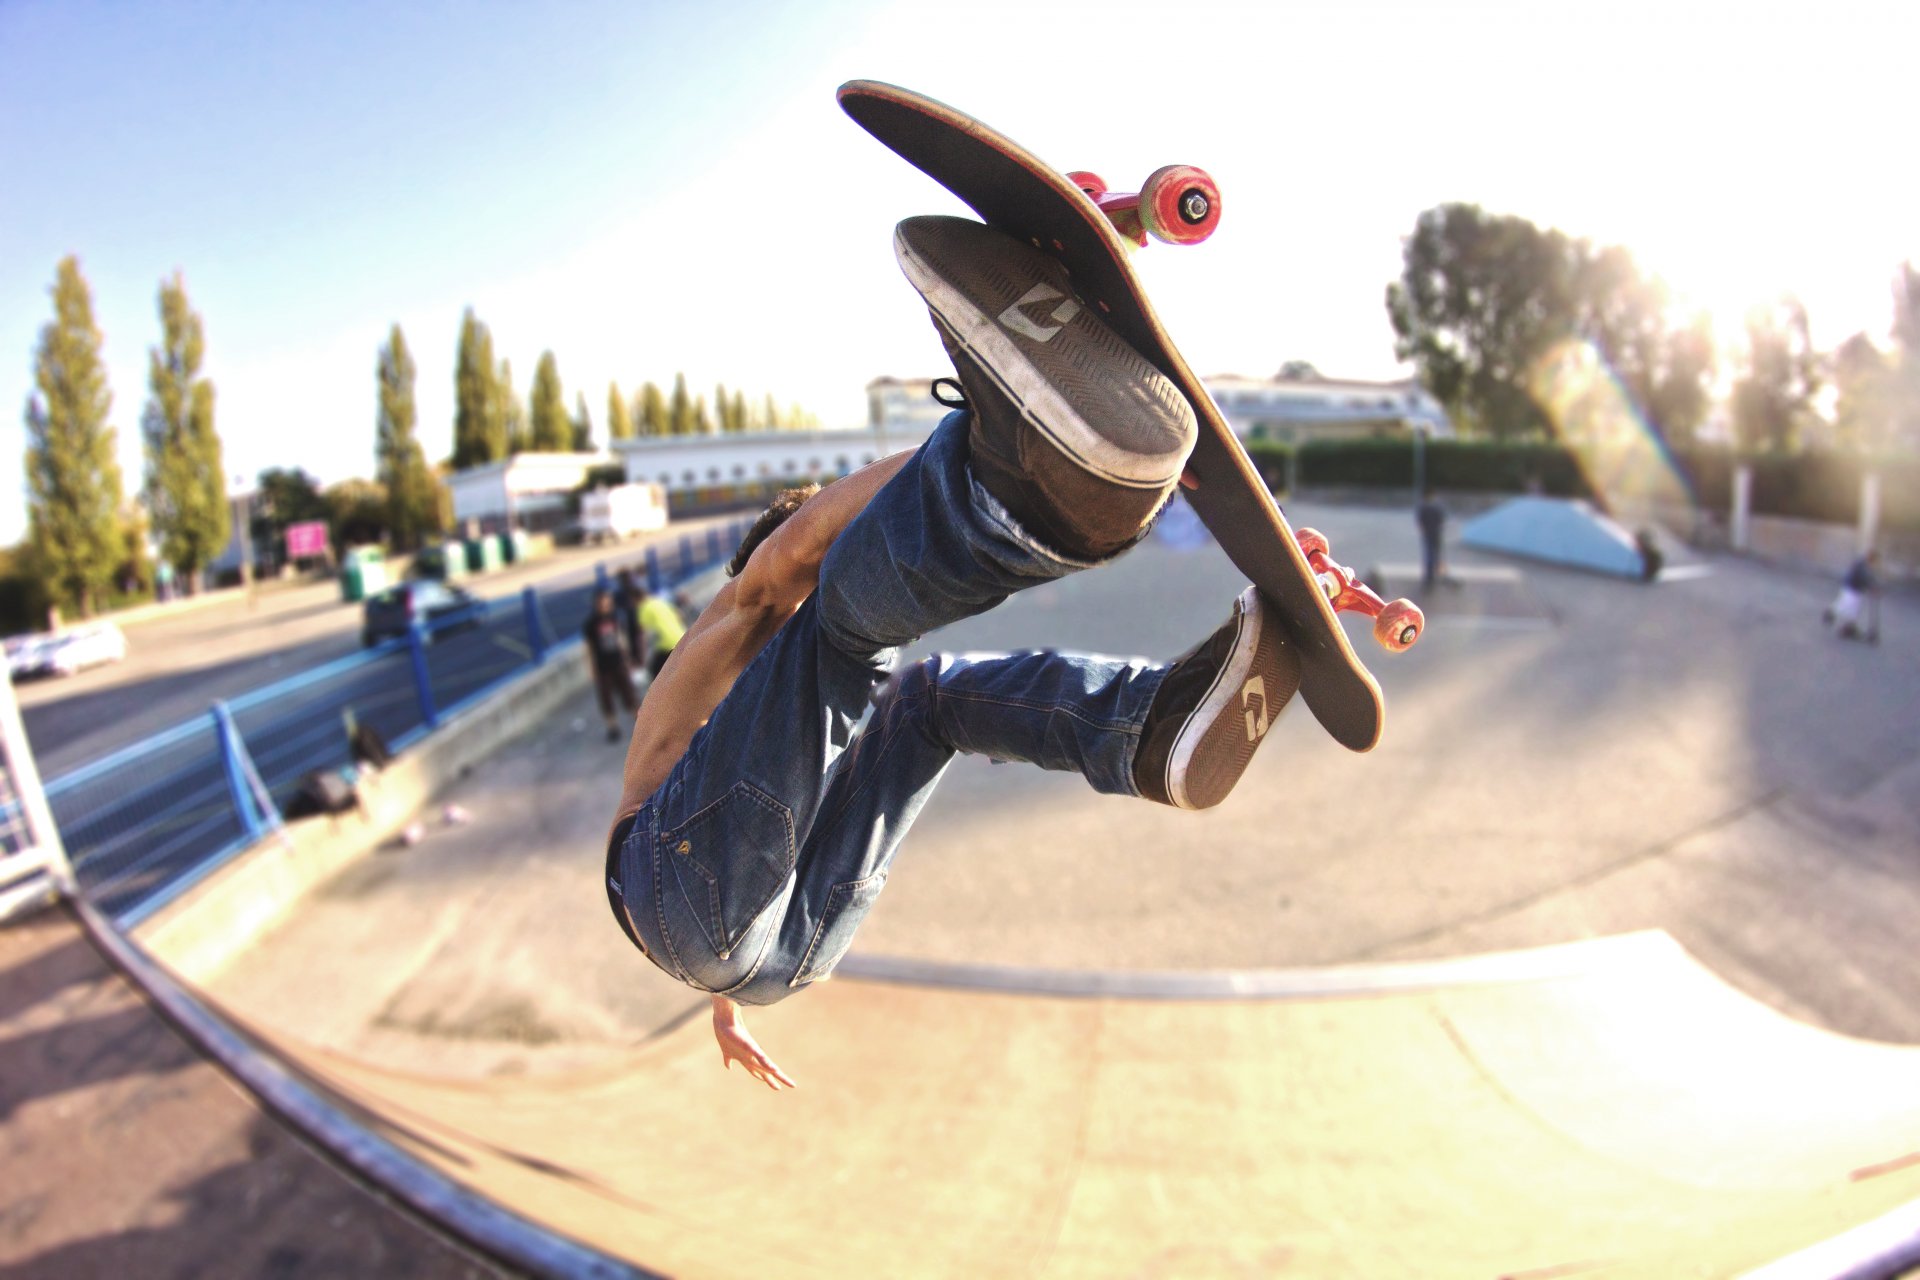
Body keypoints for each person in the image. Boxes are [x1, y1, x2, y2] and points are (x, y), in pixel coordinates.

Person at [603, 216, 1302, 1090]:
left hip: (774, 952)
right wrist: (984, 438)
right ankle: (1004, 488)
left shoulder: (730, 760)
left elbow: (716, 873)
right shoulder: (730, 619)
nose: (808, 568)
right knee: (845, 630)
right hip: (729, 920)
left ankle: (1146, 730)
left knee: (925, 700)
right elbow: (782, 566)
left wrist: (725, 996)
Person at [582, 589, 638, 741]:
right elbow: (589, 648)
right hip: (603, 666)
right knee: (606, 698)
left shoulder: (614, 617)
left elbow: (621, 637)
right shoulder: (591, 623)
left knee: (629, 693)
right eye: (603, 603)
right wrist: (591, 668)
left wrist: (627, 658)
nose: (606, 606)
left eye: (608, 603)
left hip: (618, 662)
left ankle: (639, 723)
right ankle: (612, 727)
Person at [633, 580, 688, 680]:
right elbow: (680, 615)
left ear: (635, 599)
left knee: (657, 676)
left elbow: (642, 634)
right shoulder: (659, 601)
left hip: (666, 645)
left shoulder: (643, 609)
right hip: (682, 638)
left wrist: (642, 657)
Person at [1825, 549, 1882, 642]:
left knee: (1852, 609)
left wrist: (1875, 586)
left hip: (1854, 588)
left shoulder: (1865, 564)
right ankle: (1838, 620)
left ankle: (1848, 626)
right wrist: (1873, 588)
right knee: (1847, 607)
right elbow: (1865, 577)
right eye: (1875, 561)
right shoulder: (1862, 565)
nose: (1876, 563)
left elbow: (1870, 577)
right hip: (1852, 588)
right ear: (1872, 558)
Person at [1415, 486, 1447, 591]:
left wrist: (1424, 529)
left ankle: (1430, 576)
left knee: (1429, 554)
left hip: (1429, 533)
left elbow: (1420, 520)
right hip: (1436, 532)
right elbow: (1442, 518)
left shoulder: (1424, 506)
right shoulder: (1437, 506)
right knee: (1435, 553)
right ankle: (1437, 574)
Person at [614, 567, 644, 666]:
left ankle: (637, 662)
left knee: (635, 643)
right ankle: (637, 662)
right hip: (632, 621)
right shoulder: (629, 591)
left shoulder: (626, 592)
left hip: (634, 621)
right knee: (635, 644)